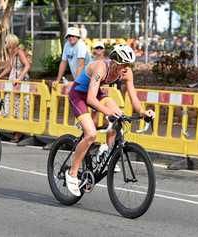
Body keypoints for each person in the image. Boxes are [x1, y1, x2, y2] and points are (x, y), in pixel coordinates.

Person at [65, 44, 155, 196]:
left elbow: (133, 97)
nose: (126, 68)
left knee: (119, 115)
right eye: (124, 65)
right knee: (91, 135)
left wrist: (142, 112)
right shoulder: (101, 67)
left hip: (97, 93)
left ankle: (105, 150)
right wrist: (108, 113)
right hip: (79, 95)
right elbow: (90, 99)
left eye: (129, 65)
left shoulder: (126, 73)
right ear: (114, 62)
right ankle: (72, 173)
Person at [0, 34, 31, 143]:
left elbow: (27, 65)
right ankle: (15, 130)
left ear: (11, 42)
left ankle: (18, 133)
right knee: (9, 104)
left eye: (7, 42)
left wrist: (19, 78)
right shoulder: (11, 52)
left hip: (20, 81)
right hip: (13, 81)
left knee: (20, 106)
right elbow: (9, 67)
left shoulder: (19, 52)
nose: (5, 44)